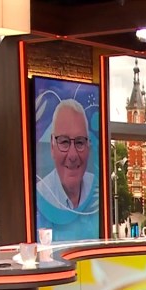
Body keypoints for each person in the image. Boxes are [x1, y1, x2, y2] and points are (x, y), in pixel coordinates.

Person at [35, 99, 99, 241]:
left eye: (80, 142)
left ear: (88, 147)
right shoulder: (41, 194)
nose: (73, 155)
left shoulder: (96, 189)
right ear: (52, 147)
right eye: (64, 142)